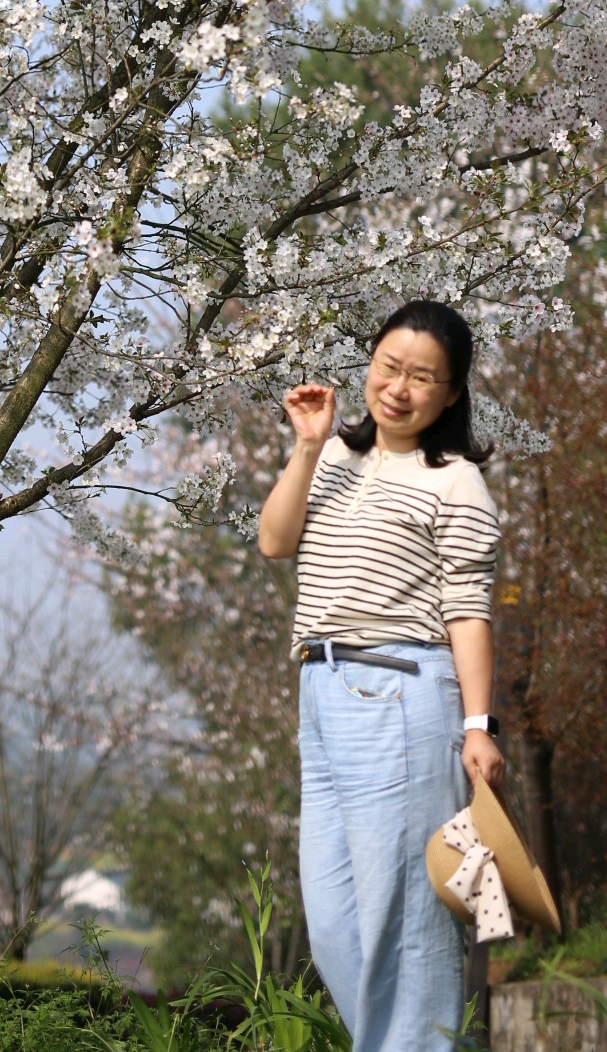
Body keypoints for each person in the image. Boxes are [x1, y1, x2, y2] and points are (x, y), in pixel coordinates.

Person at [258, 299, 503, 1052]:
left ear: (452, 394)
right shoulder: (334, 458)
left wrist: (477, 725)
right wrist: (307, 445)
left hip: (401, 692)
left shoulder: (457, 482)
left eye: (423, 377)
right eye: (389, 366)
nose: (399, 387)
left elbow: (468, 611)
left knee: (407, 927)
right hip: (323, 693)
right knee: (334, 922)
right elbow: (275, 541)